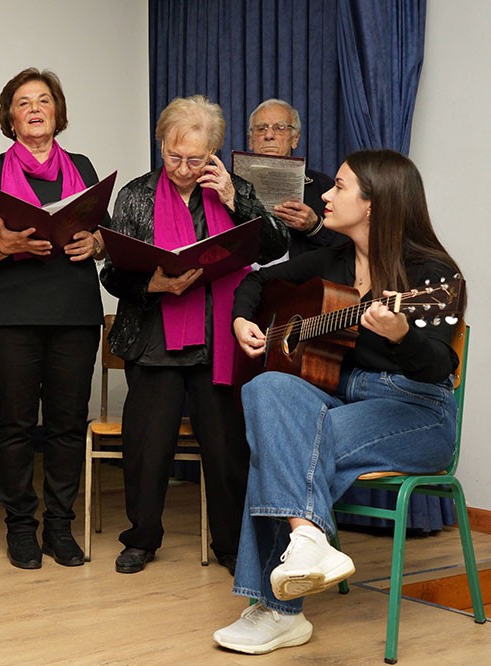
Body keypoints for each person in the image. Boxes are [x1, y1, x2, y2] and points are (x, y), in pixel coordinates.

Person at [214, 149, 463, 655]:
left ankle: (278, 610)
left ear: (373, 204)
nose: (324, 194)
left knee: (280, 443)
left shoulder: (432, 274)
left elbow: (440, 367)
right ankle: (307, 542)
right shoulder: (331, 259)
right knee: (264, 388)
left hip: (415, 409)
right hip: (337, 396)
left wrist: (401, 337)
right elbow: (256, 280)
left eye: (340, 187)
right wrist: (242, 320)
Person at [99, 95, 289, 576]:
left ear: (214, 154)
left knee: (227, 451)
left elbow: (275, 245)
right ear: (161, 144)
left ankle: (230, 544)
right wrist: (151, 284)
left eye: (196, 159)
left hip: (218, 340)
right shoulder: (137, 195)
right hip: (153, 339)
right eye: (173, 156)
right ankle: (141, 538)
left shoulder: (233, 189)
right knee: (147, 448)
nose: (183, 168)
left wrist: (235, 198)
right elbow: (113, 274)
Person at [0, 68, 105, 570]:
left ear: (57, 111)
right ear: (10, 117)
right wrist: (4, 245)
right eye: (23, 102)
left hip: (75, 313)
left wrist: (97, 243)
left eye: (43, 100)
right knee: (16, 425)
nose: (35, 108)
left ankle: (60, 528)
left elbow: (102, 233)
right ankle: (20, 527)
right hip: (10, 315)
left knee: (67, 425)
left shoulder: (84, 167)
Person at [247, 99, 343, 256]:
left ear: (295, 139)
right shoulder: (230, 187)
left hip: (300, 278)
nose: (269, 135)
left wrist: (314, 226)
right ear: (251, 140)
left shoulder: (324, 187)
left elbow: (344, 248)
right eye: (261, 128)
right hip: (244, 277)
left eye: (280, 128)